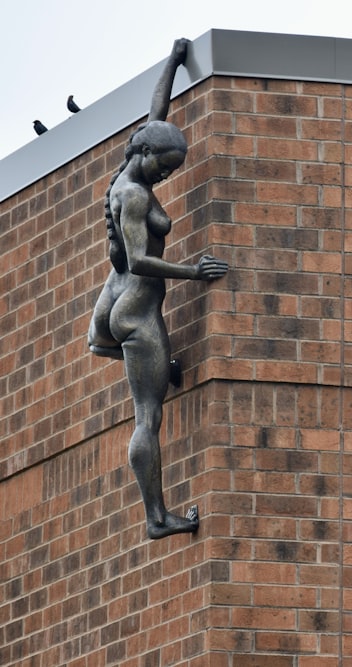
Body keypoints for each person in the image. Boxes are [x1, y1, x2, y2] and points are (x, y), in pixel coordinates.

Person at [88, 38, 228, 539]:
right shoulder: (131, 195)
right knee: (147, 417)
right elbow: (141, 262)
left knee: (112, 348)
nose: (167, 174)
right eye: (164, 166)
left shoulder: (130, 166)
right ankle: (156, 518)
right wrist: (193, 272)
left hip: (112, 304)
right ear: (145, 152)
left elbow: (156, 114)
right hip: (137, 305)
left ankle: (151, 362)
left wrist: (172, 62)